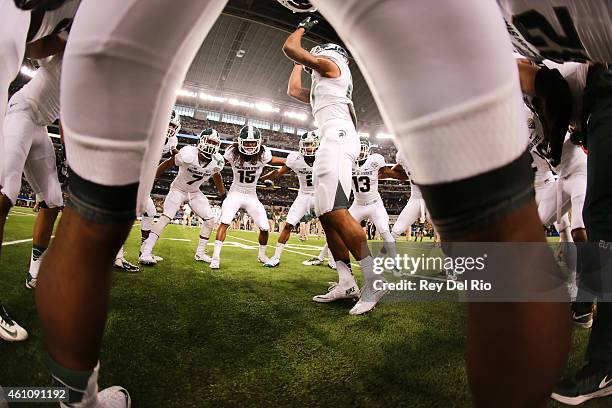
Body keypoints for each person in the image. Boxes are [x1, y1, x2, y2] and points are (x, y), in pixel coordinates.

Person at [284, 21, 386, 315]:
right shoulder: (324, 84)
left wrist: (301, 25)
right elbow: (293, 90)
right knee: (325, 214)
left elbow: (290, 48)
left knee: (337, 211)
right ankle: (346, 283)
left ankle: (374, 280)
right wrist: (299, 67)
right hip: (332, 138)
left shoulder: (331, 65)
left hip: (339, 138)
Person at [139, 129, 225, 265]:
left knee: (209, 220)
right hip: (178, 189)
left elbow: (217, 175)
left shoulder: (217, 161)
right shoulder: (189, 154)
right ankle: (146, 252)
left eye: (214, 143)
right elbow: (168, 163)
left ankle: (200, 253)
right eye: (209, 141)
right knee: (165, 218)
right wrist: (150, 178)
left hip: (195, 192)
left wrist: (222, 194)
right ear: (201, 141)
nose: (211, 145)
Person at [209, 125, 285, 269]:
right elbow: (216, 167)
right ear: (240, 141)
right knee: (224, 222)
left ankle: (262, 255)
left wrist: (278, 171)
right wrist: (222, 192)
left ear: (259, 142)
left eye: (253, 142)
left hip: (251, 195)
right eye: (247, 142)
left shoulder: (263, 154)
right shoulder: (232, 152)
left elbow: (285, 162)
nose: (250, 146)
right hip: (235, 193)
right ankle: (215, 257)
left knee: (264, 227)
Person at [260, 130, 319, 267]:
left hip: (320, 195)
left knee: (331, 228)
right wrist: (264, 178)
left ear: (317, 145)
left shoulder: (325, 157)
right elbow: (279, 172)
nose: (308, 147)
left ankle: (333, 260)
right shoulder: (295, 158)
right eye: (306, 144)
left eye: (311, 144)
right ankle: (276, 257)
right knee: (288, 225)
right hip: (303, 194)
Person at [140, 109, 181, 260]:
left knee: (150, 212)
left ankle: (143, 250)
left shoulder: (172, 139)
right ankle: (116, 256)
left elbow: (173, 152)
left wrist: (185, 156)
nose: (170, 128)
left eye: (172, 125)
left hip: (142, 180)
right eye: (167, 124)